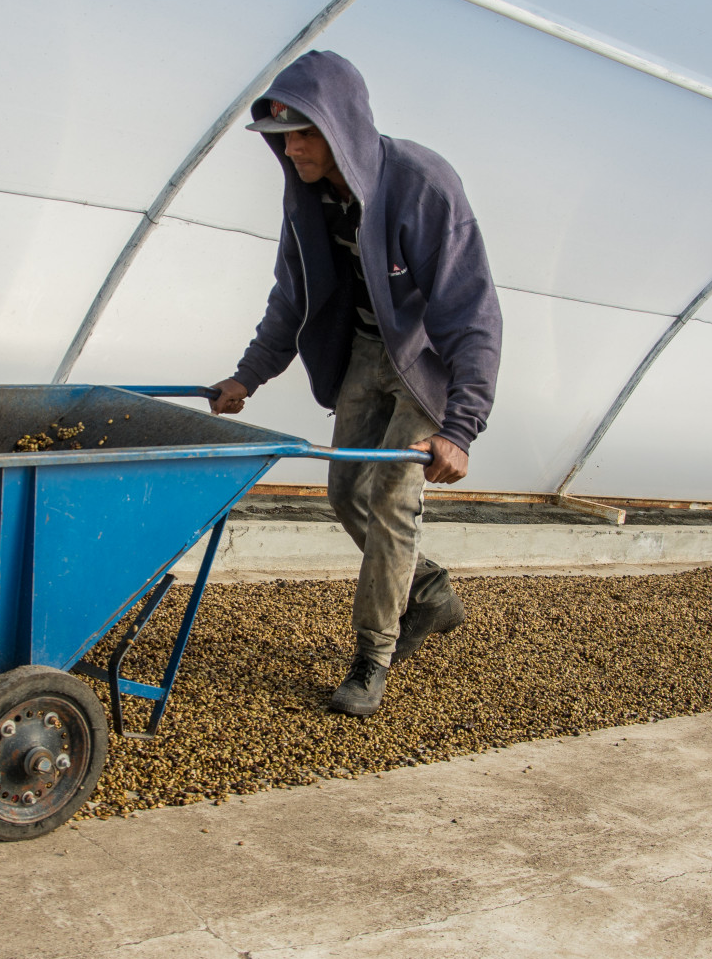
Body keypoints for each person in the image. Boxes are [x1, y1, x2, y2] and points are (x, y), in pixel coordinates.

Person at [208, 50, 501, 717]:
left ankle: (373, 656)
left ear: (340, 126)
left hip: (424, 358)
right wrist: (248, 376)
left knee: (393, 498)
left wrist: (460, 429)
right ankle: (427, 590)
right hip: (366, 351)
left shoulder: (422, 184)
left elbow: (472, 311)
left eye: (304, 134)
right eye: (281, 138)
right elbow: (293, 296)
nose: (291, 150)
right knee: (345, 491)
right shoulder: (306, 197)